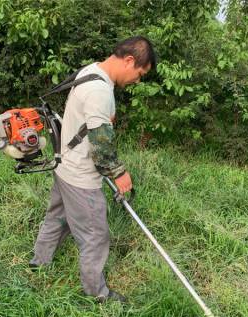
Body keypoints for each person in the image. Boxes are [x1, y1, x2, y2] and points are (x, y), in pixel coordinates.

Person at [29, 36, 156, 303]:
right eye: (139, 74)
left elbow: (90, 121)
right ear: (130, 61)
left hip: (64, 165)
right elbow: (101, 146)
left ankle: (39, 262)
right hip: (81, 177)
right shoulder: (100, 91)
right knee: (96, 236)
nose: (137, 80)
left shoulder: (90, 71)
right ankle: (97, 294)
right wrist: (119, 174)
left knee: (57, 218)